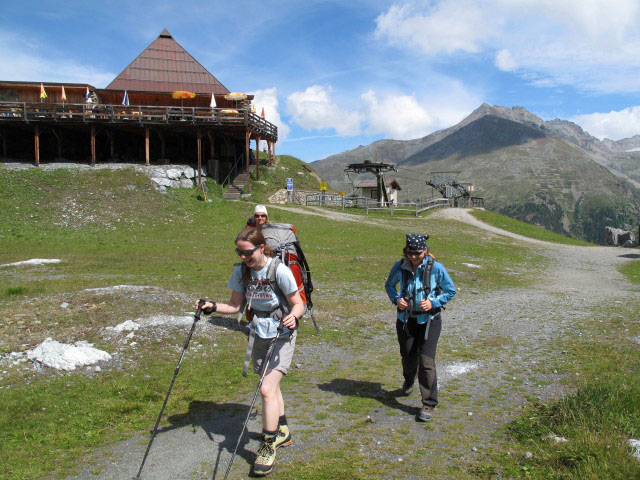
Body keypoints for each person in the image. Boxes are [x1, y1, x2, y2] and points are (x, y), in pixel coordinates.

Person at [197, 227, 304, 476]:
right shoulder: (242, 272)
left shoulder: (279, 270)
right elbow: (235, 306)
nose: (243, 257)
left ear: (260, 247)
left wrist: (294, 318)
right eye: (239, 252)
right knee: (271, 387)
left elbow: (298, 304)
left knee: (266, 388)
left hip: (282, 333)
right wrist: (211, 306)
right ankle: (283, 430)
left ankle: (267, 445)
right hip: (257, 332)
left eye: (246, 253)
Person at [384, 233, 456, 422]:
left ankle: (428, 403)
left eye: (417, 253)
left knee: (426, 362)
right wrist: (396, 300)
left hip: (430, 321)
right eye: (410, 252)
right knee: (408, 356)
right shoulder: (399, 266)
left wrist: (433, 303)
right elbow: (389, 285)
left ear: (425, 251)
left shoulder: (436, 268)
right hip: (406, 320)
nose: (413, 257)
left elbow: (451, 290)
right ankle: (409, 380)